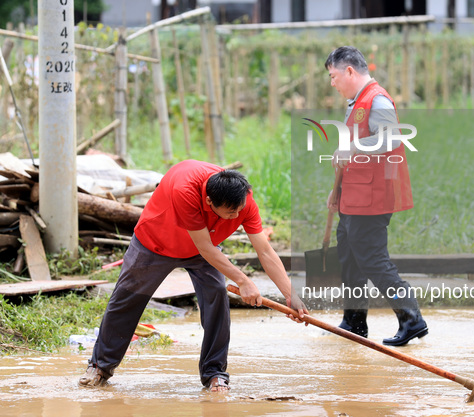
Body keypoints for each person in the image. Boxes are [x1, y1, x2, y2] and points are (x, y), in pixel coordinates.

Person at [79, 160, 307, 391]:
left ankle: (215, 374)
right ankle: (100, 367)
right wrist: (244, 280)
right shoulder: (185, 191)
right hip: (154, 244)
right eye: (231, 212)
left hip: (203, 248)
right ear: (209, 202)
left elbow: (265, 251)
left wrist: (291, 295)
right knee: (126, 300)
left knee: (217, 296)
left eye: (240, 209)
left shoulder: (241, 201)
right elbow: (204, 247)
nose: (238, 215)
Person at [324, 46, 428, 346]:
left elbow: (391, 137)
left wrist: (351, 148)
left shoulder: (378, 99)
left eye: (333, 76)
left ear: (349, 72)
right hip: (353, 196)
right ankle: (354, 322)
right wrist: (337, 192)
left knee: (372, 260)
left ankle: (412, 319)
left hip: (372, 199)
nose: (333, 83)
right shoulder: (356, 102)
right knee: (349, 259)